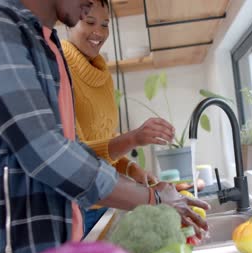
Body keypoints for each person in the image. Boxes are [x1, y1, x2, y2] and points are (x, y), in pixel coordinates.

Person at [0, 0, 208, 253]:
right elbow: (45, 151)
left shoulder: (48, 45)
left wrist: (142, 185)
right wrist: (153, 197)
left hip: (60, 248)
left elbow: (69, 148)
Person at [61, 0, 174, 233]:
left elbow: (104, 137)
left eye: (105, 24)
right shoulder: (60, 68)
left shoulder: (102, 73)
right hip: (77, 209)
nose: (99, 32)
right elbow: (74, 154)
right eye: (90, 22)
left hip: (106, 201)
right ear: (68, 21)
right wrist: (133, 139)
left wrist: (130, 168)